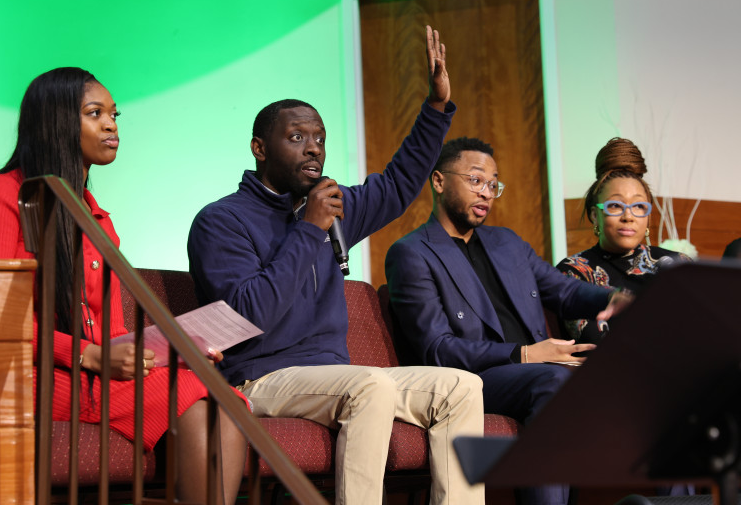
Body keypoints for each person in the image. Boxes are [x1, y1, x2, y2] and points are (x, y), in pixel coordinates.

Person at [188, 26, 484, 505]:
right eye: (297, 137)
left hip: (330, 376)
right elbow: (245, 318)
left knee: (460, 386)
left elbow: (399, 183)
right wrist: (308, 229)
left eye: (320, 138)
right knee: (368, 383)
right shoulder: (221, 221)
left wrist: (435, 109)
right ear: (259, 148)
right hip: (258, 378)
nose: (313, 148)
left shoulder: (329, 205)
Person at [0, 67, 247, 505]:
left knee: (216, 399)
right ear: (56, 122)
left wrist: (169, 348)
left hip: (92, 375)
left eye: (114, 114)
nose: (111, 125)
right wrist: (88, 354)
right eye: (95, 113)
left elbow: (109, 333)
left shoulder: (97, 219)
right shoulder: (3, 195)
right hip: (28, 375)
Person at [385, 136, 632, 505]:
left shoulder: (507, 243)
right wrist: (526, 355)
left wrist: (613, 297)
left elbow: (562, 291)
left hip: (539, 367)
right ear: (438, 181)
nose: (486, 192)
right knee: (554, 380)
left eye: (492, 184)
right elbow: (436, 349)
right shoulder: (412, 253)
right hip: (473, 380)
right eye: (475, 180)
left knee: (644, 375)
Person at [556, 137, 691, 340]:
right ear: (595, 215)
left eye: (638, 206)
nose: (628, 217)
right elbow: (593, 342)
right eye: (616, 206)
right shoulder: (573, 272)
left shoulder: (677, 264)